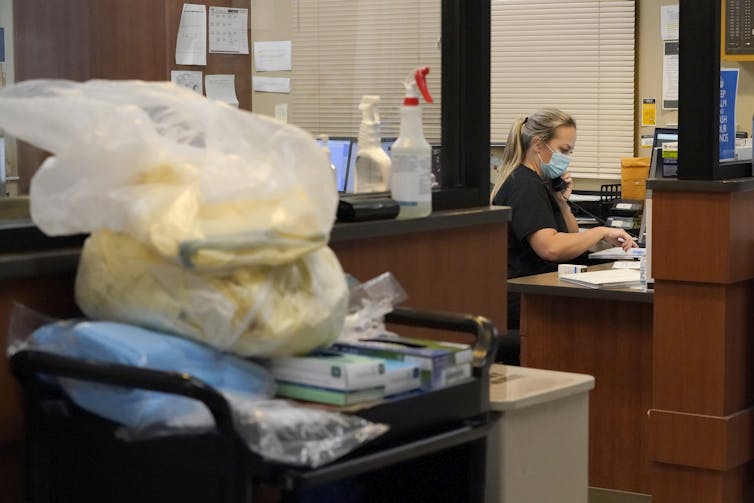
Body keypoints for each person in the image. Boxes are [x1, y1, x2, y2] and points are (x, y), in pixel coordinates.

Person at [491, 108, 637, 361]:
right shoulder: (525, 186)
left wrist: (561, 202)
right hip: (525, 299)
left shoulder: (537, 182)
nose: (567, 158)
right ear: (538, 144)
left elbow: (569, 236)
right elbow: (551, 247)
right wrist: (601, 231)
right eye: (564, 150)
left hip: (536, 292)